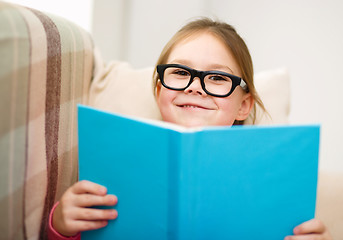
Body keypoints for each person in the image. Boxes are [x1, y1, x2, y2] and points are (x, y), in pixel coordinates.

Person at [48, 18, 332, 240]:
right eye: (181, 73)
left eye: (218, 77)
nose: (195, 86)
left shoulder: (273, 173)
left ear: (244, 105)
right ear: (159, 89)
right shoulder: (117, 155)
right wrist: (62, 226)